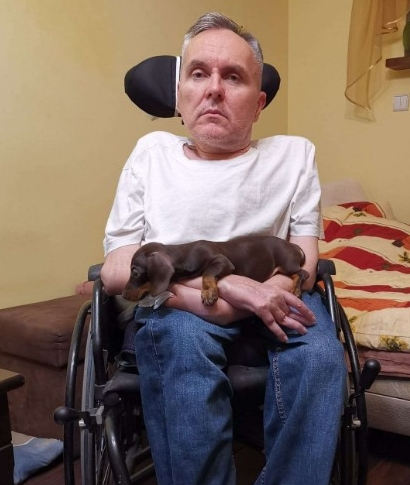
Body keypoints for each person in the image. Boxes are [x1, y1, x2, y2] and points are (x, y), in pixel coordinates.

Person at [101, 11, 347, 485]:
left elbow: (304, 255)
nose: (214, 89)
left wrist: (263, 294)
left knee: (319, 356)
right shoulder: (150, 154)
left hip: (275, 296)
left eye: (233, 77)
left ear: (258, 103)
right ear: (180, 94)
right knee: (178, 341)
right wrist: (222, 292)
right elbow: (116, 267)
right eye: (199, 74)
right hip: (179, 309)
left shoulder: (295, 155)